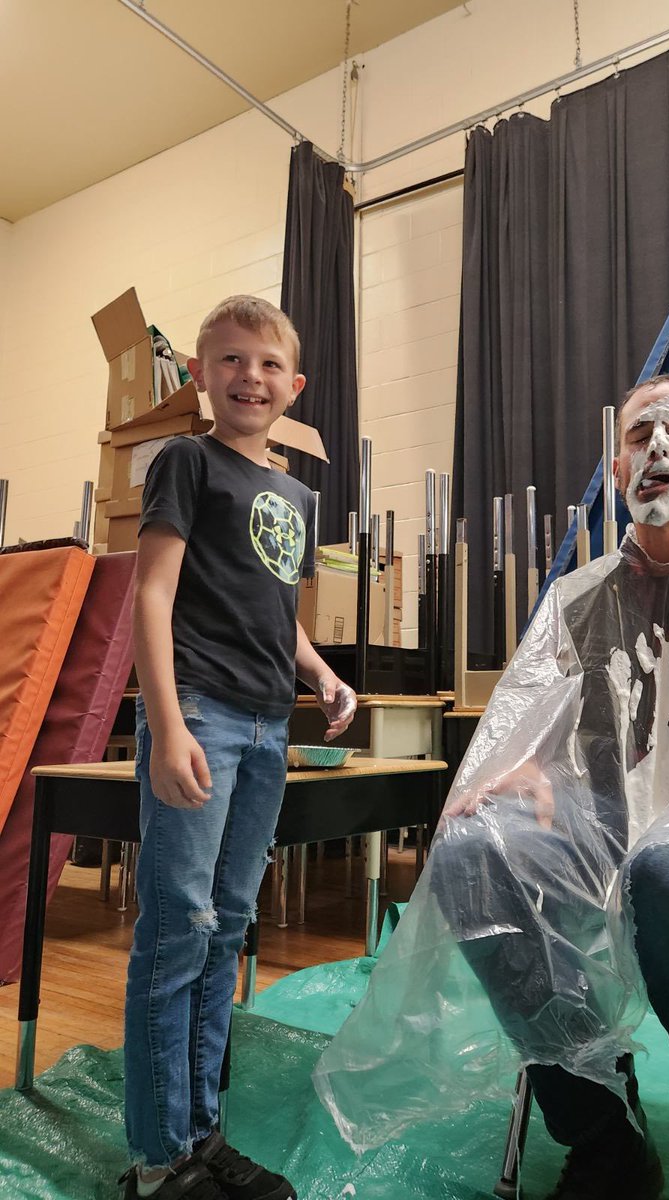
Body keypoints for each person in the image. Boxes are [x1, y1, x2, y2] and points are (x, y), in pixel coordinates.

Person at [313, 375, 669, 1200]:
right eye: (636, 436)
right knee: (475, 850)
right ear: (616, 468)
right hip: (616, 851)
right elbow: (571, 750)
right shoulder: (583, 607)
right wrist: (530, 771)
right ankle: (602, 1136)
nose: (655, 447)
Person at [121, 295, 357, 1200]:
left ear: (292, 386)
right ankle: (156, 1161)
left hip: (266, 729)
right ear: (199, 377)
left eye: (265, 365)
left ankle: (202, 1137)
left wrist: (323, 676)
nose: (247, 377)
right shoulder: (186, 461)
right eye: (228, 361)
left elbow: (277, 620)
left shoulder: (297, 493)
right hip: (204, 715)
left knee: (226, 934)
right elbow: (151, 595)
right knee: (177, 933)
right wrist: (169, 723)